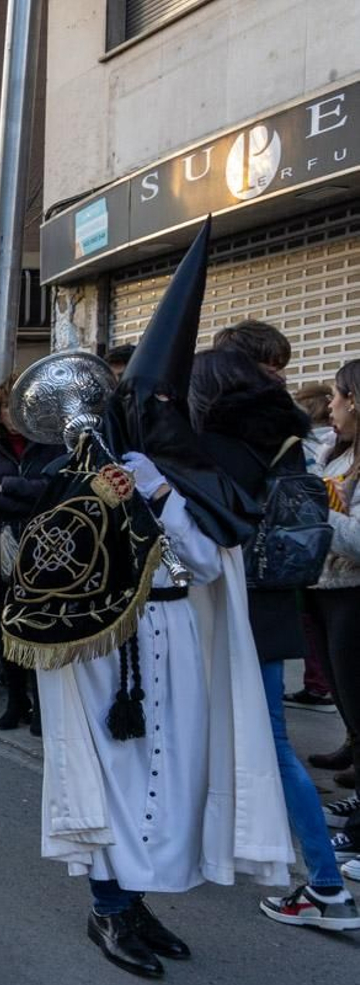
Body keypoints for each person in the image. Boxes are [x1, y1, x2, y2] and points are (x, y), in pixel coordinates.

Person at [4, 221, 293, 979]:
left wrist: (159, 491)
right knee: (113, 776)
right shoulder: (79, 466)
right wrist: (100, 490)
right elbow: (52, 556)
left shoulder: (184, 472)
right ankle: (108, 906)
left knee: (170, 774)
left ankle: (134, 901)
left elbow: (201, 561)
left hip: (175, 630)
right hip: (104, 643)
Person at [188, 343, 360, 929]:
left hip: (229, 610)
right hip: (275, 605)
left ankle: (326, 885)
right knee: (261, 741)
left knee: (266, 747)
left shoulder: (215, 450)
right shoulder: (287, 443)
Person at [0, 382, 58, 731]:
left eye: (20, 406)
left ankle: (42, 703)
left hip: (42, 545)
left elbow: (54, 490)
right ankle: (16, 700)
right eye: (7, 407)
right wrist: (26, 505)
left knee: (40, 620)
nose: (13, 415)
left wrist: (11, 487)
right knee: (8, 624)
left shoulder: (50, 446)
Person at [309, 360, 360, 862]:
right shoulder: (338, 451)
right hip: (327, 591)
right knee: (348, 706)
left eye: (338, 396)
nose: (331, 406)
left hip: (352, 595)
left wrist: (319, 509)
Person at [289, 381, 341, 720]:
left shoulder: (312, 447)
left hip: (326, 562)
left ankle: (318, 685)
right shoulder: (337, 448)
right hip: (328, 563)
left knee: (318, 628)